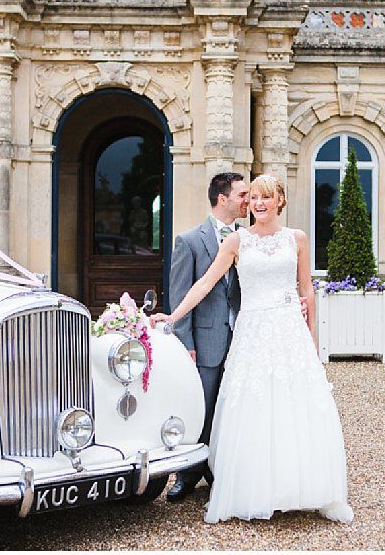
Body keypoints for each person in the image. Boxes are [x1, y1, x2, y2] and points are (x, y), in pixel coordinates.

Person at [151, 175, 353, 524]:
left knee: (296, 408)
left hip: (290, 331)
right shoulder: (236, 241)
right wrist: (173, 316)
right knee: (255, 411)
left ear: (280, 200)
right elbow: (205, 282)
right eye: (254, 197)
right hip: (254, 332)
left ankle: (301, 487)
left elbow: (306, 291)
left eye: (266, 197)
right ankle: (257, 490)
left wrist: (312, 338)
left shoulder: (298, 239)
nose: (259, 203)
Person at [164, 172, 248, 502]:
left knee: (234, 409)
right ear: (222, 198)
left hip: (244, 337)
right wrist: (186, 344)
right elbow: (180, 294)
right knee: (202, 408)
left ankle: (222, 471)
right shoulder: (189, 241)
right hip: (206, 340)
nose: (247, 200)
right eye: (242, 194)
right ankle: (189, 473)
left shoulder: (249, 238)